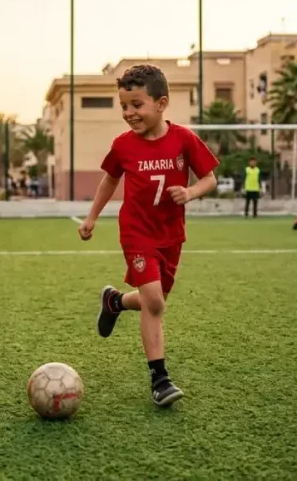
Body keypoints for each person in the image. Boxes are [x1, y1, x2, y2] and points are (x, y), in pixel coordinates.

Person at [78, 64, 219, 408]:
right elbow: (110, 179)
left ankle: (114, 301)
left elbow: (209, 180)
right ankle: (160, 379)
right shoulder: (123, 146)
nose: (129, 113)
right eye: (124, 106)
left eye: (137, 105)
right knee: (155, 302)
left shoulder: (184, 138)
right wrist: (92, 216)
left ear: (161, 103)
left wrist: (190, 193)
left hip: (171, 236)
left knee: (151, 301)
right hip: (137, 233)